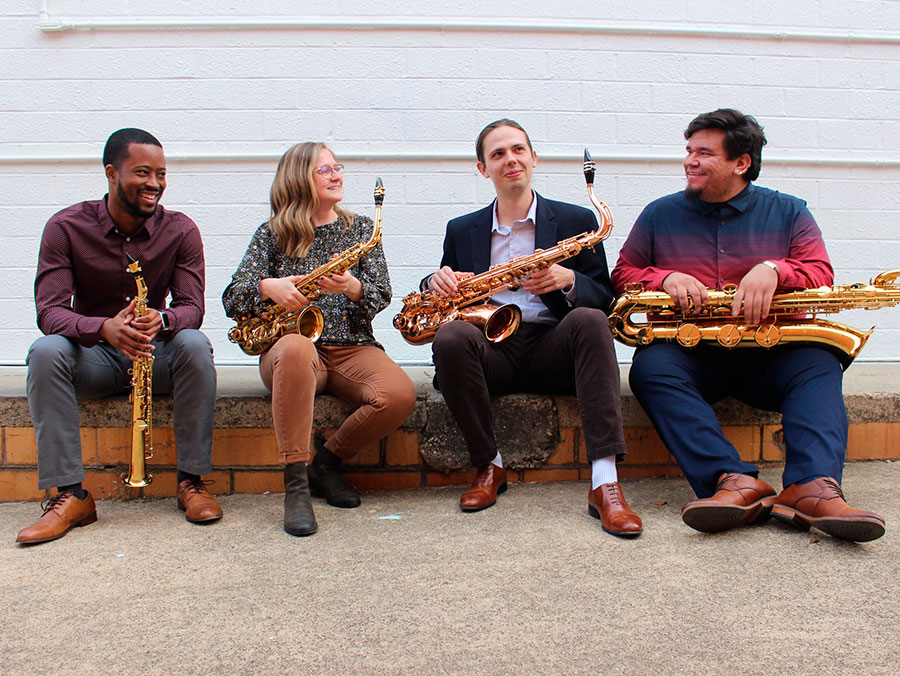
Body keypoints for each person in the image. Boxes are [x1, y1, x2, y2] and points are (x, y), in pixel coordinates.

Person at [612, 108, 885, 542]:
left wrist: (777, 270)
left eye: (704, 153)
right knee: (650, 368)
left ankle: (812, 488)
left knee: (819, 363)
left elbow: (820, 272)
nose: (689, 161)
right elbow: (624, 273)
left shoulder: (790, 211)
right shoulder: (658, 214)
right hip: (693, 354)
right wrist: (663, 277)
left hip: (772, 353)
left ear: (741, 163)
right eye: (688, 150)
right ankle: (733, 482)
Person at [423, 119, 642, 537]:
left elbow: (606, 298)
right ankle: (490, 465)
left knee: (591, 319)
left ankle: (604, 481)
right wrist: (434, 281)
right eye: (498, 153)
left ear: (534, 158)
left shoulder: (577, 219)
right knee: (451, 336)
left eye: (518, 149)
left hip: (553, 346)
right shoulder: (461, 228)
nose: (511, 160)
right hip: (492, 349)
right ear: (482, 168)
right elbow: (441, 291)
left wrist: (570, 280)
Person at [17, 128, 222, 545]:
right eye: (142, 172)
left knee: (194, 344)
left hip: (155, 356)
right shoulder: (65, 227)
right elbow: (49, 311)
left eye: (161, 174)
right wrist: (102, 328)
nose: (154, 184)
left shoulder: (181, 230)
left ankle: (192, 483)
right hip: (95, 359)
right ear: (112, 173)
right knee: (45, 351)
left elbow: (192, 309)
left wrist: (162, 321)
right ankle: (71, 496)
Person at [222, 142, 415, 537]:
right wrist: (268, 286)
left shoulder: (361, 229)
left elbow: (381, 295)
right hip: (290, 348)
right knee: (295, 346)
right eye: (324, 170)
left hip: (350, 346)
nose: (337, 175)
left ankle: (324, 465)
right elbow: (232, 297)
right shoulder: (272, 233)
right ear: (299, 178)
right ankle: (295, 486)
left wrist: (354, 288)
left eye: (337, 167)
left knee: (399, 395)